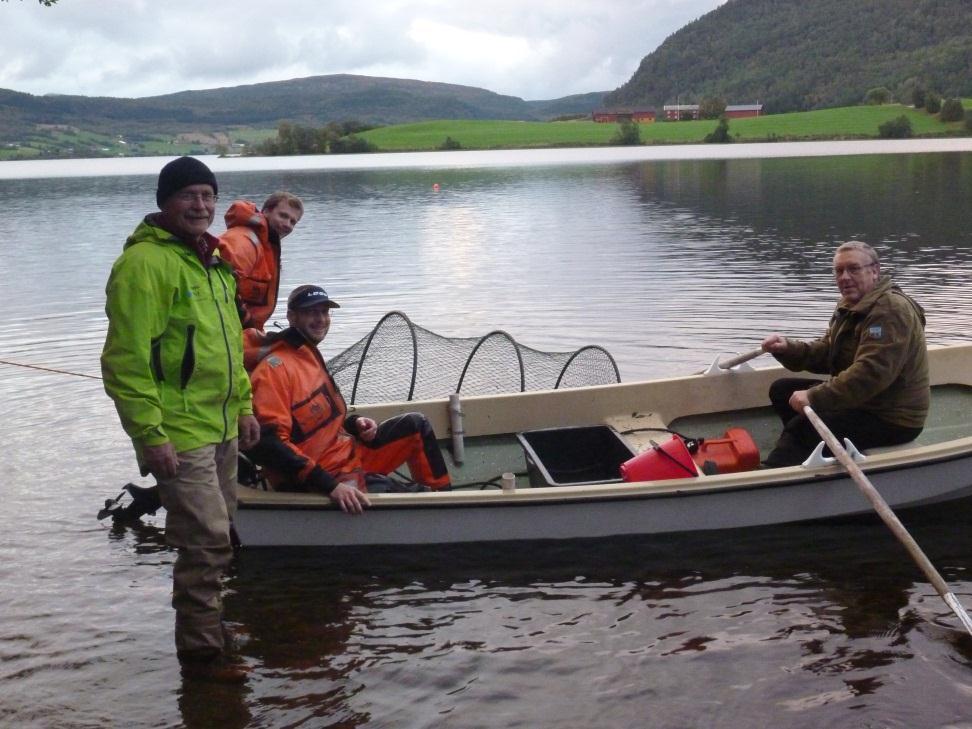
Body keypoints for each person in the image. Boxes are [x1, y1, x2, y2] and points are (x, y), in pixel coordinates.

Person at [101, 156, 261, 682]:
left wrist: (243, 407)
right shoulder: (144, 265)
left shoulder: (211, 261)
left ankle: (211, 630)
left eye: (208, 196)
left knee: (223, 535)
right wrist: (150, 435)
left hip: (221, 427)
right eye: (189, 195)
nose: (201, 205)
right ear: (164, 202)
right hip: (178, 432)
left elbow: (230, 349)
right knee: (206, 539)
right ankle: (202, 658)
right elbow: (125, 361)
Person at [247, 285, 452, 513]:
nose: (320, 319)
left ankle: (447, 503)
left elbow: (314, 422)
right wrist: (330, 486)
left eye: (325, 312)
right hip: (322, 478)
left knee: (416, 425)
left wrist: (354, 424)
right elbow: (268, 445)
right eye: (311, 312)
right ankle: (441, 513)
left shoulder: (307, 354)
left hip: (347, 455)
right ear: (291, 316)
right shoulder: (274, 370)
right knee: (414, 496)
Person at [760, 240, 929, 468]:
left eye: (853, 269)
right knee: (782, 391)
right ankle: (809, 452)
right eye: (839, 271)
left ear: (874, 271)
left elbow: (869, 375)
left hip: (892, 416)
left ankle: (772, 473)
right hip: (863, 401)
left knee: (804, 425)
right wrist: (788, 348)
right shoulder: (851, 305)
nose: (845, 277)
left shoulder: (891, 310)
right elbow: (829, 352)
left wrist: (815, 396)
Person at [218, 191, 304, 331]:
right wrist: (247, 324)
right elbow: (220, 288)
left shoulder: (267, 246)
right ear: (266, 211)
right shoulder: (244, 241)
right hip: (228, 331)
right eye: (283, 216)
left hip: (242, 332)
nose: (287, 224)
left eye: (293, 222)